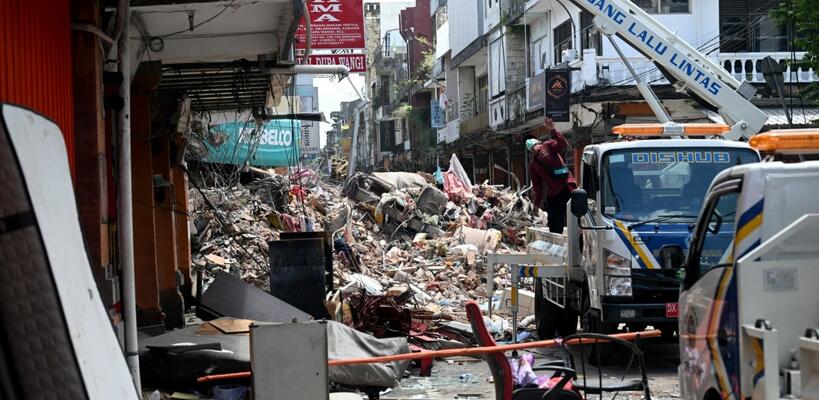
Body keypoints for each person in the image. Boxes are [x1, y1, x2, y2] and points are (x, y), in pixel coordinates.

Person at [527, 118, 577, 233]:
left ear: (538, 143)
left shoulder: (548, 145)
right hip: (555, 193)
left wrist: (553, 130)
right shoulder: (533, 164)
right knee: (554, 224)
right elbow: (537, 187)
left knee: (578, 217)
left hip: (567, 186)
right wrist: (536, 204)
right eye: (532, 148)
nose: (535, 148)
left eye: (535, 145)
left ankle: (580, 240)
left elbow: (563, 144)